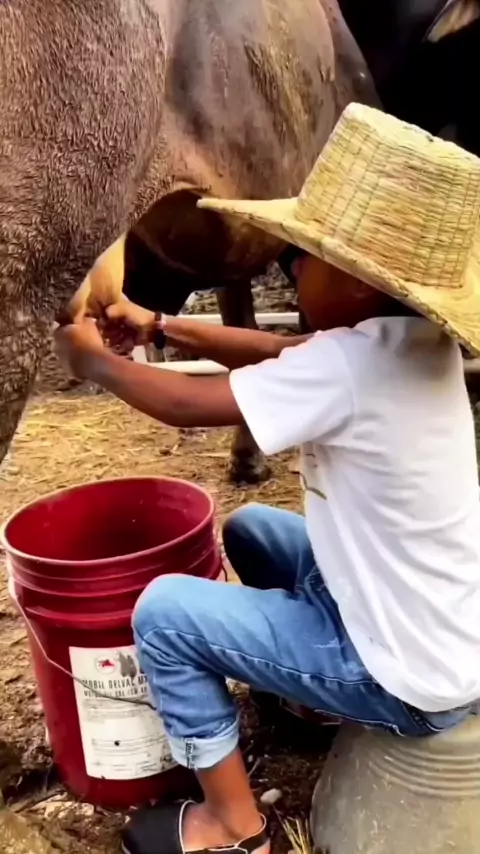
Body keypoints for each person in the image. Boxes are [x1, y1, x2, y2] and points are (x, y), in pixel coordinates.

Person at [55, 103, 480, 854]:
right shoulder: (409, 345)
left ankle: (235, 827)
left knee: (165, 614)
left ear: (358, 283)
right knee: (253, 529)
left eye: (302, 257)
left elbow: (187, 405)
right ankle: (310, 703)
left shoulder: (347, 367)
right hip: (438, 638)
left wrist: (96, 363)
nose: (291, 266)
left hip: (401, 676)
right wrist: (161, 326)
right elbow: (276, 352)